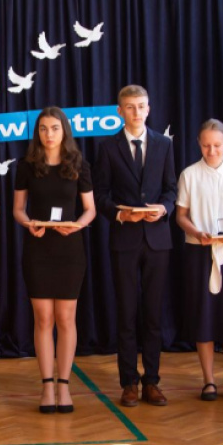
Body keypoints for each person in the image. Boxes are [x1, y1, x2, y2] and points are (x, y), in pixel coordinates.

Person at [93, 84, 176, 408]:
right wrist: (119, 213)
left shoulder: (164, 144)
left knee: (153, 314)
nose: (136, 112)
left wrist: (164, 209)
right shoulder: (107, 147)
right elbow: (101, 194)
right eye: (129, 107)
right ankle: (128, 381)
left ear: (149, 108)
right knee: (126, 313)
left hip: (157, 240)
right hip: (124, 240)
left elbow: (171, 189)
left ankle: (151, 381)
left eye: (141, 106)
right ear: (120, 111)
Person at [13, 107, 95, 414]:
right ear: (38, 132)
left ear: (64, 131)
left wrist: (78, 225)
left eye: (55, 128)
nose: (49, 134)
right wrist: (28, 223)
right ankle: (47, 385)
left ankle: (64, 384)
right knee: (43, 318)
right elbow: (18, 209)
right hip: (38, 249)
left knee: (66, 318)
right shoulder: (27, 165)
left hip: (69, 250)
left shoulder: (78, 164)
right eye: (44, 128)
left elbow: (90, 209)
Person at [175, 120, 223, 402]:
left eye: (217, 145)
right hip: (199, 251)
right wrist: (197, 232)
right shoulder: (189, 174)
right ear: (199, 143)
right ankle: (208, 380)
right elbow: (181, 216)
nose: (211, 151)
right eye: (206, 145)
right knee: (203, 315)